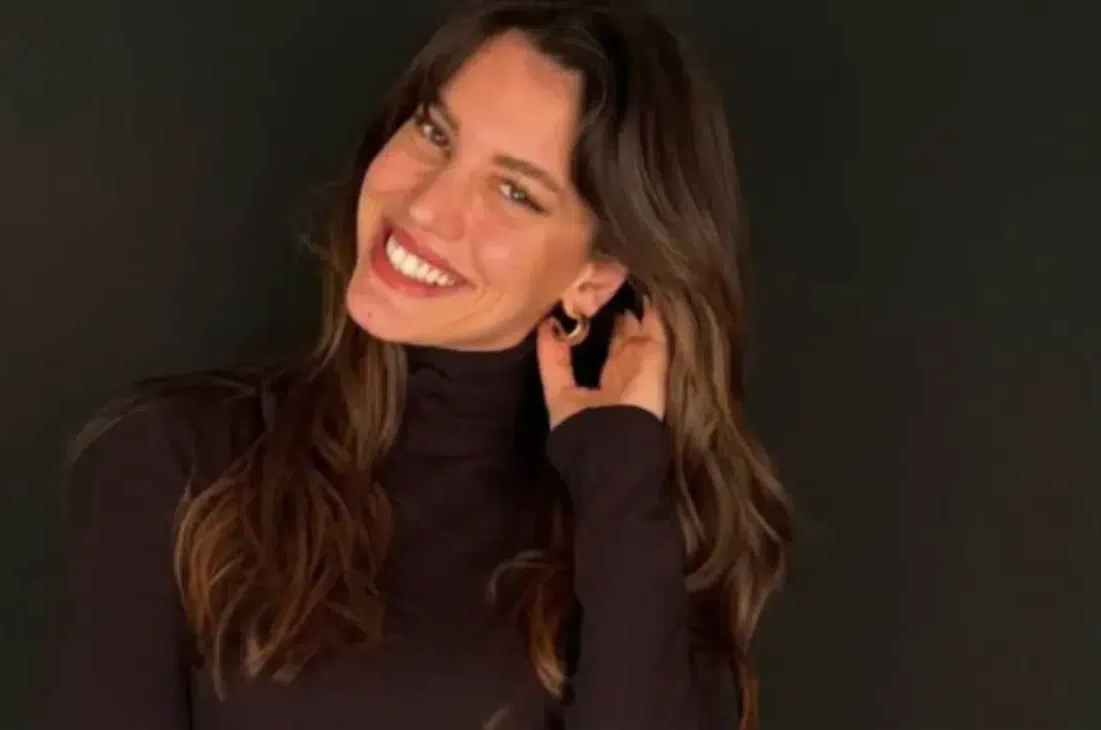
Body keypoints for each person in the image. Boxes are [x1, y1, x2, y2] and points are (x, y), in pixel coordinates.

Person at [44, 0, 793, 728]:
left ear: (594, 278)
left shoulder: (632, 533)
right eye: (435, 132)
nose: (427, 206)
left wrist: (620, 470)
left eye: (514, 191)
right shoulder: (175, 460)